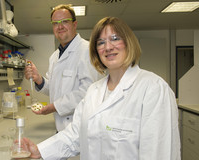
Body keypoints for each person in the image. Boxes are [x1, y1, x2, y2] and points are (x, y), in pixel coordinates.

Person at [22, 17, 181, 159]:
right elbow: (75, 135)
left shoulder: (153, 88)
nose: (108, 47)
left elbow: (160, 152)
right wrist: (39, 151)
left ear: (128, 43)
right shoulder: (94, 91)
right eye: (101, 42)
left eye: (115, 38)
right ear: (96, 51)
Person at [25, 4, 101, 131]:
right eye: (55, 23)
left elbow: (89, 92)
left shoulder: (87, 51)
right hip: (61, 128)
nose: (60, 26)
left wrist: (54, 106)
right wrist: (39, 79)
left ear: (74, 24)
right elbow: (55, 89)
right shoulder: (54, 57)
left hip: (82, 129)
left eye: (65, 21)